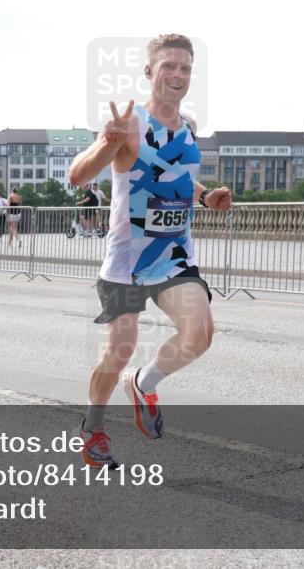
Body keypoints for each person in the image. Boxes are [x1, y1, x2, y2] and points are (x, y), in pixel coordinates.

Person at [68, 34, 232, 468]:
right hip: (126, 260)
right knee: (118, 348)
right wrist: (107, 142)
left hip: (174, 253)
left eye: (185, 68)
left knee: (200, 333)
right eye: (169, 66)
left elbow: (174, 173)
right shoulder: (131, 123)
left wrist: (203, 197)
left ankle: (142, 383)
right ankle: (94, 428)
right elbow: (76, 175)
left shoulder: (189, 128)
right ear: (150, 72)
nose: (178, 75)